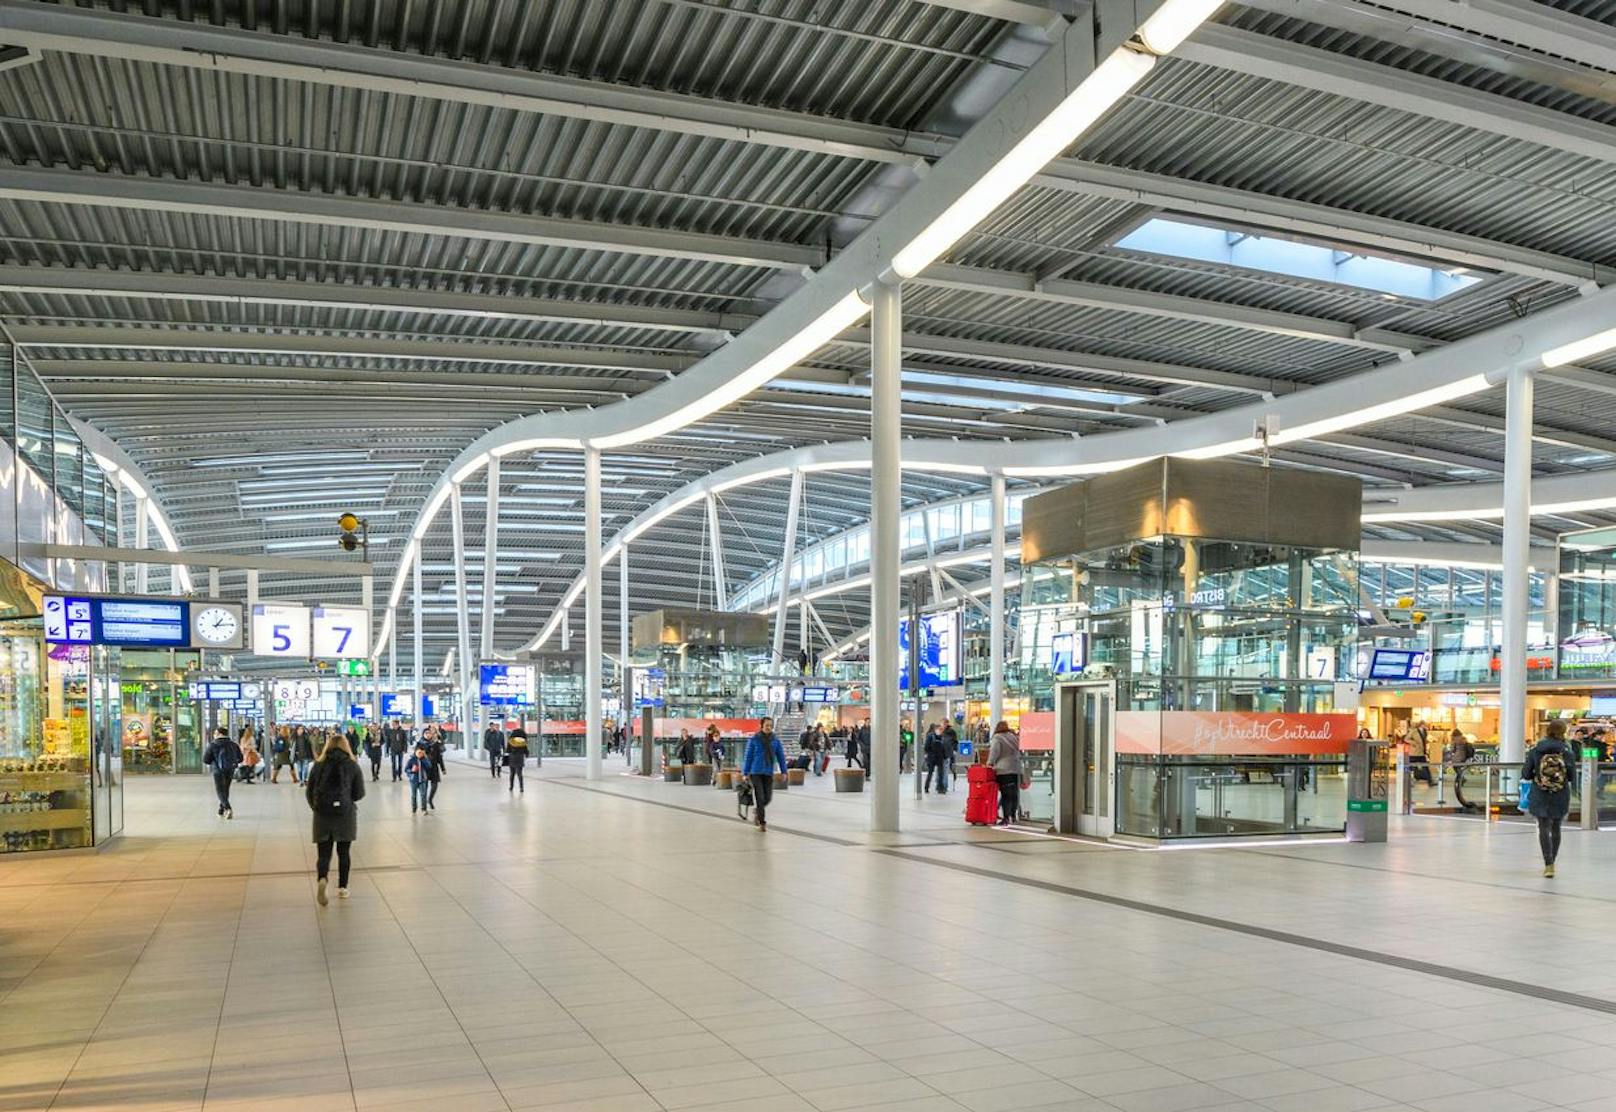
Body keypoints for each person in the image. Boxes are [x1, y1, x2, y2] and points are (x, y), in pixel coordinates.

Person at [305, 730, 365, 905]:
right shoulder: (352, 765)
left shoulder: (319, 765)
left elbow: (309, 791)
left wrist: (316, 807)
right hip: (345, 815)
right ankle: (342, 887)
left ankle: (322, 878)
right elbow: (359, 793)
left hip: (322, 815)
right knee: (343, 853)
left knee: (324, 854)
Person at [1524, 719, 1574, 878]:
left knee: (1543, 826)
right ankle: (1553, 863)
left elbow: (1525, 773)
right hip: (1560, 792)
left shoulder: (1536, 750)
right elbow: (1571, 776)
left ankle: (1548, 863)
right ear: (1563, 732)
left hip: (1540, 792)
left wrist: (1538, 776)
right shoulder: (1567, 751)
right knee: (1556, 827)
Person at [741, 717, 788, 832]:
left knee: (768, 798)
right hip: (756, 772)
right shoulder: (754, 740)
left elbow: (781, 757)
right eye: (767, 725)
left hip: (768, 772)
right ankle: (762, 822)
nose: (769, 727)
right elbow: (748, 757)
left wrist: (784, 771)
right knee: (760, 797)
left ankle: (757, 811)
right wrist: (745, 772)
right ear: (761, 726)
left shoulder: (775, 741)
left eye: (770, 725)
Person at [202, 726, 243, 819]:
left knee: (220, 790)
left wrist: (213, 761)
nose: (214, 735)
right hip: (230, 769)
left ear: (220, 734)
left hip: (218, 770)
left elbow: (205, 760)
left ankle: (228, 808)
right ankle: (221, 810)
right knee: (226, 789)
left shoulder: (213, 745)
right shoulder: (233, 744)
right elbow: (240, 758)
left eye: (215, 733)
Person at [988, 721, 1023, 826]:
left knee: (1006, 794)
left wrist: (989, 763)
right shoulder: (1014, 737)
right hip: (1016, 768)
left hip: (1004, 770)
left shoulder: (997, 738)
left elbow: (994, 752)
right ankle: (1013, 816)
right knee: (1014, 794)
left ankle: (1006, 818)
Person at [965, 749, 999, 825]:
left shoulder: (997, 739)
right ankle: (991, 815)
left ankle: (975, 816)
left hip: (997, 769)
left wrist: (989, 764)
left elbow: (993, 754)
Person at [405, 744, 433, 815]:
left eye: (422, 753)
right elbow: (406, 769)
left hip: (423, 780)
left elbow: (429, 766)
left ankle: (424, 809)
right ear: (415, 752)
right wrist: (411, 771)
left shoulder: (425, 759)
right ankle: (414, 809)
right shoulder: (411, 760)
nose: (420, 754)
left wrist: (424, 759)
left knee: (423, 794)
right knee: (413, 795)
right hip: (414, 780)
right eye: (419, 752)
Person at [423, 726, 445, 810]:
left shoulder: (436, 744)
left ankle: (430, 799)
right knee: (424, 785)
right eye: (428, 733)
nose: (430, 734)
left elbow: (439, 757)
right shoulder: (422, 743)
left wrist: (443, 768)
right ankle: (423, 801)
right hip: (425, 766)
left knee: (434, 785)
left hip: (434, 767)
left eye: (432, 732)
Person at [924, 725, 949, 793]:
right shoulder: (931, 736)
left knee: (941, 773)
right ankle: (926, 787)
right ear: (935, 729)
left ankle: (940, 788)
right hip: (932, 757)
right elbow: (926, 747)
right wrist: (929, 754)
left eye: (941, 730)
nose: (940, 731)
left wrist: (945, 756)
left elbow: (944, 748)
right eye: (939, 729)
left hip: (940, 758)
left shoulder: (942, 737)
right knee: (930, 773)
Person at [505, 723, 529, 793]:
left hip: (512, 758)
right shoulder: (523, 742)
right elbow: (526, 750)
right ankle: (521, 787)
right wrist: (526, 754)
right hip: (520, 758)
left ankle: (511, 787)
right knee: (520, 774)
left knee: (512, 774)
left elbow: (508, 750)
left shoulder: (511, 741)